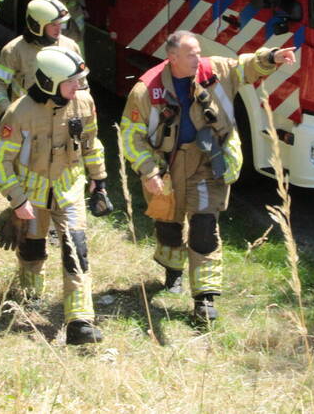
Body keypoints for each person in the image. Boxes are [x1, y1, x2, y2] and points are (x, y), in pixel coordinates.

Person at [119, 30, 296, 322]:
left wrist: (272, 57)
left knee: (204, 228)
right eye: (190, 54)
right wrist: (149, 171)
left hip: (207, 163)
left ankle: (205, 299)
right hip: (167, 168)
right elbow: (131, 136)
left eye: (198, 51)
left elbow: (246, 66)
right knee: (169, 227)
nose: (197, 58)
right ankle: (172, 271)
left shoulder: (214, 71)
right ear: (172, 58)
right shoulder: (146, 90)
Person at [0, 46, 107, 345]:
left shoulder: (83, 102)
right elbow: (0, 160)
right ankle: (29, 298)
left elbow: (91, 143)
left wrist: (99, 180)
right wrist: (17, 200)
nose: (78, 87)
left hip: (69, 190)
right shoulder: (19, 113)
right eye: (71, 82)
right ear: (51, 83)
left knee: (76, 250)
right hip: (32, 195)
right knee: (32, 250)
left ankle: (80, 322)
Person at [0, 0, 80, 117]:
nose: (59, 29)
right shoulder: (14, 50)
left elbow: (82, 87)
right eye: (53, 24)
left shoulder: (70, 47)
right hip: (26, 119)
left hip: (61, 121)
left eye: (60, 23)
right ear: (37, 26)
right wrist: (6, 111)